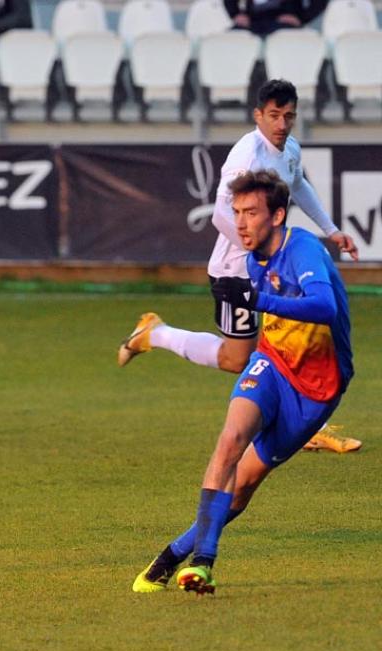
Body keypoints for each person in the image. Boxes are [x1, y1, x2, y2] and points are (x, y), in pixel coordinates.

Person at [133, 170, 352, 594]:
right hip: (271, 364)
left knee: (243, 487)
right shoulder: (253, 260)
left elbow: (324, 306)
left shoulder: (303, 248)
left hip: (315, 391)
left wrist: (261, 301)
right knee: (230, 440)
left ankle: (172, 554)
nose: (241, 223)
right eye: (237, 213)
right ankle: (204, 564)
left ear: (278, 215)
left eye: (251, 212)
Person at [119, 79, 360, 454]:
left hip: (267, 266)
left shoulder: (289, 148)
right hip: (236, 270)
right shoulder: (247, 157)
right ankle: (157, 334)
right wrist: (257, 258)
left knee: (286, 338)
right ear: (258, 116)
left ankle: (311, 423)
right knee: (239, 358)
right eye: (275, 116)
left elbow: (298, 186)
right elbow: (219, 214)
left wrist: (330, 230)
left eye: (289, 117)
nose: (282, 125)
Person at [225, 0, 305, 36]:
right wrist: (235, 14)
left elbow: (317, 3)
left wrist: (301, 19)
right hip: (253, 21)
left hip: (285, 21)